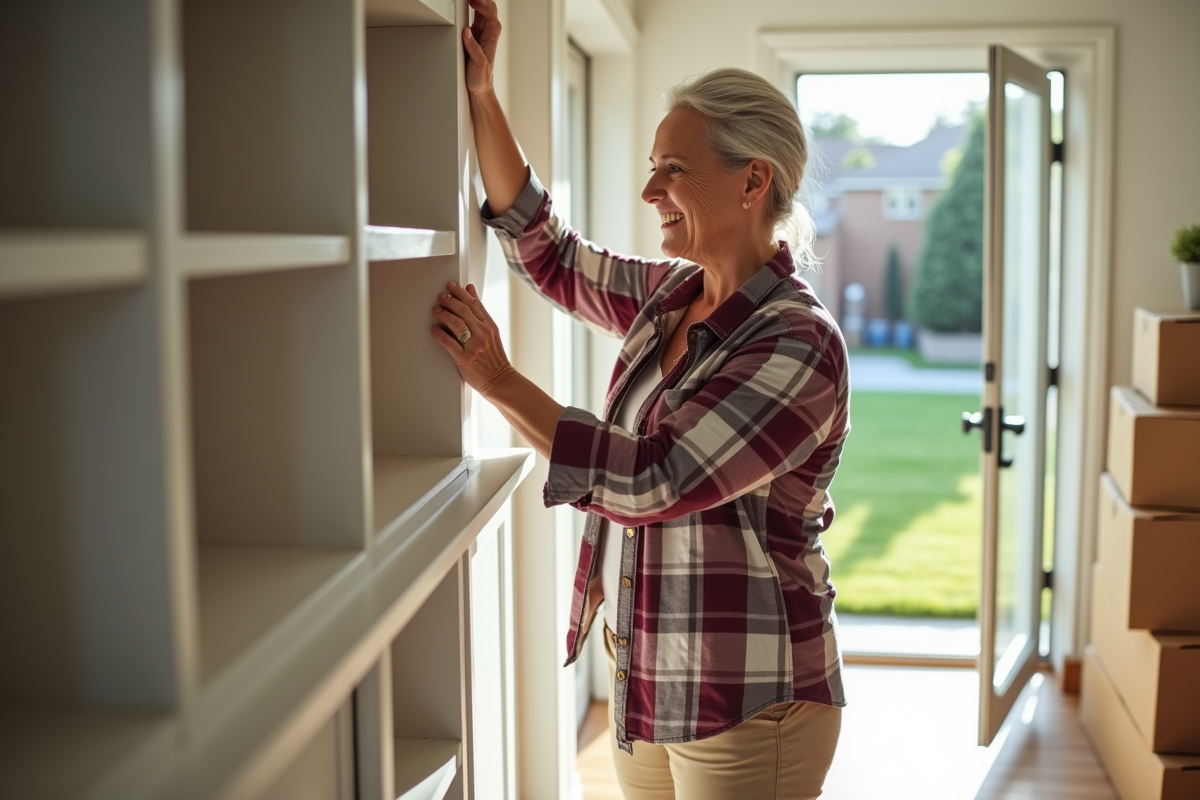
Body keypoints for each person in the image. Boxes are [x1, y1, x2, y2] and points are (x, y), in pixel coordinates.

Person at [430, 1, 849, 797]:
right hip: (648, 669)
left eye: (674, 169)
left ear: (752, 180)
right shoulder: (675, 294)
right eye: (655, 165)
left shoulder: (798, 342)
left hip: (750, 699)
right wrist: (482, 95)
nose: (651, 188)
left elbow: (655, 478)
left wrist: (499, 379)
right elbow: (551, 256)